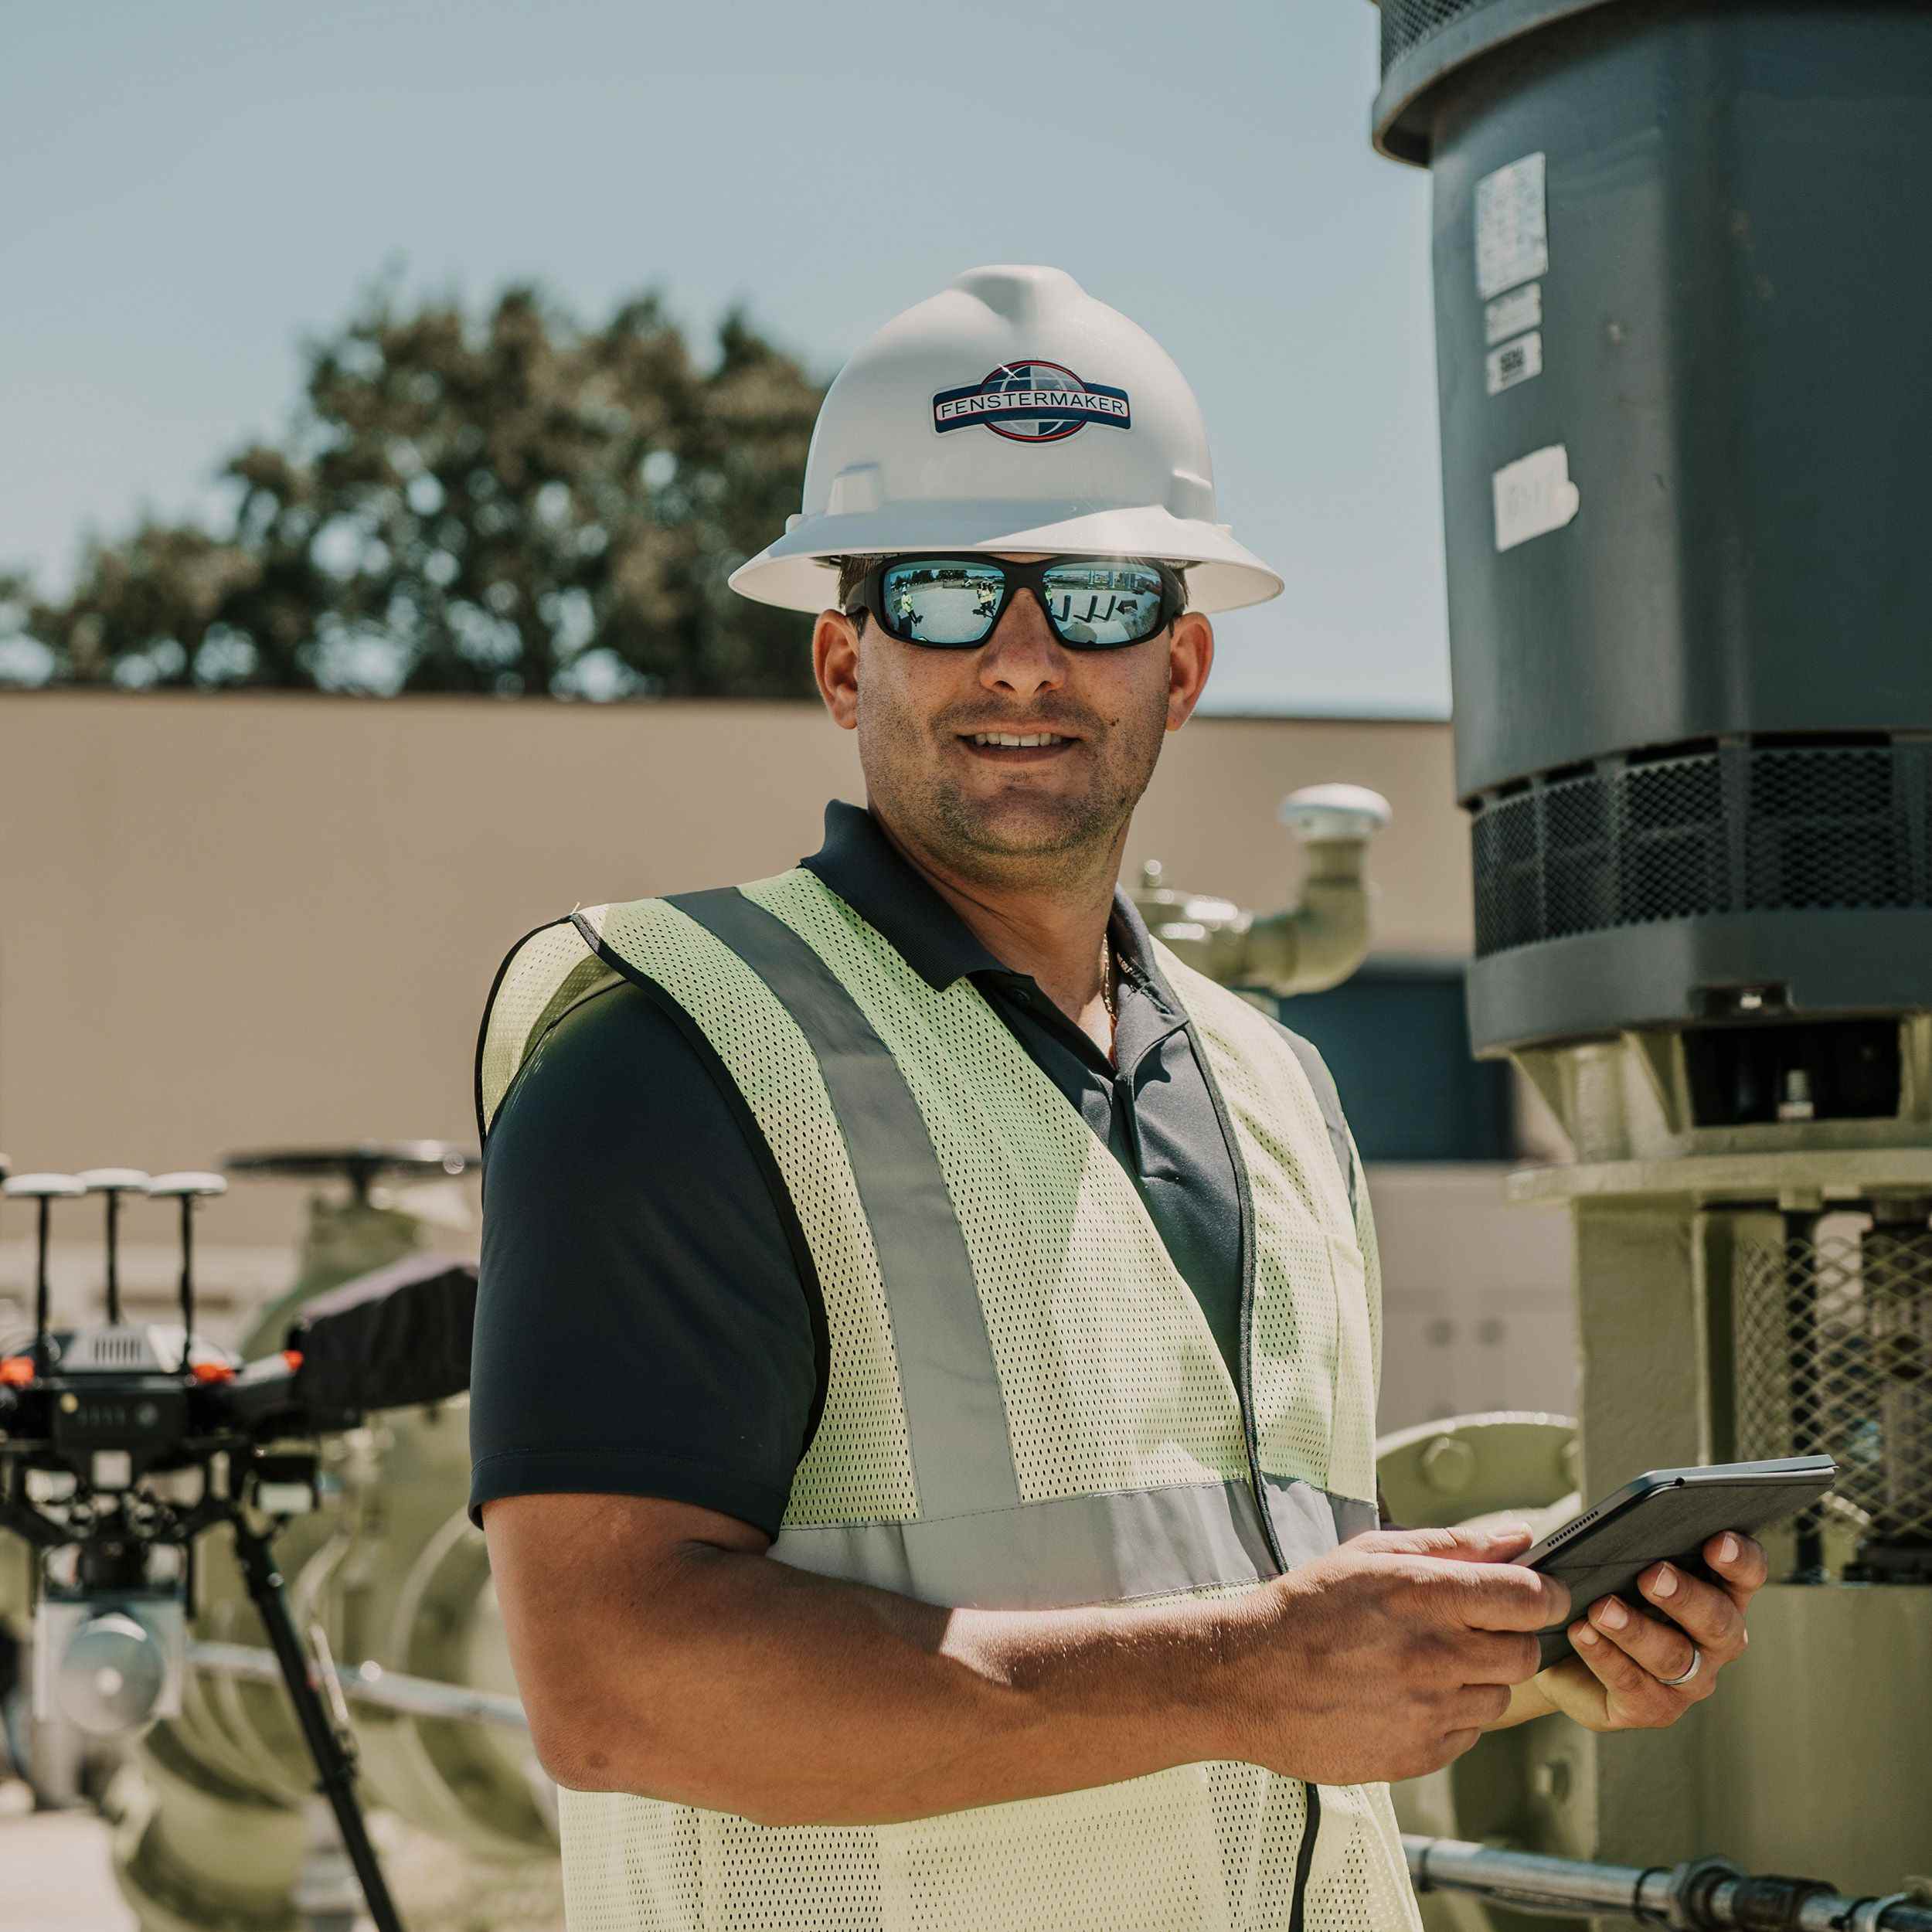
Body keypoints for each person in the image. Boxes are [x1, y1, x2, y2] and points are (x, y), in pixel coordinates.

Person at [471, 266, 1768, 1932]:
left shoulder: (1274, 1087)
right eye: (946, 593)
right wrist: (1243, 1670)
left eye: (1092, 595)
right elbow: (612, 1686)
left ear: (1182, 663)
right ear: (841, 659)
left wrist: (1500, 1646)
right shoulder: (672, 1048)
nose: (1020, 660)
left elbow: (1244, 1649)